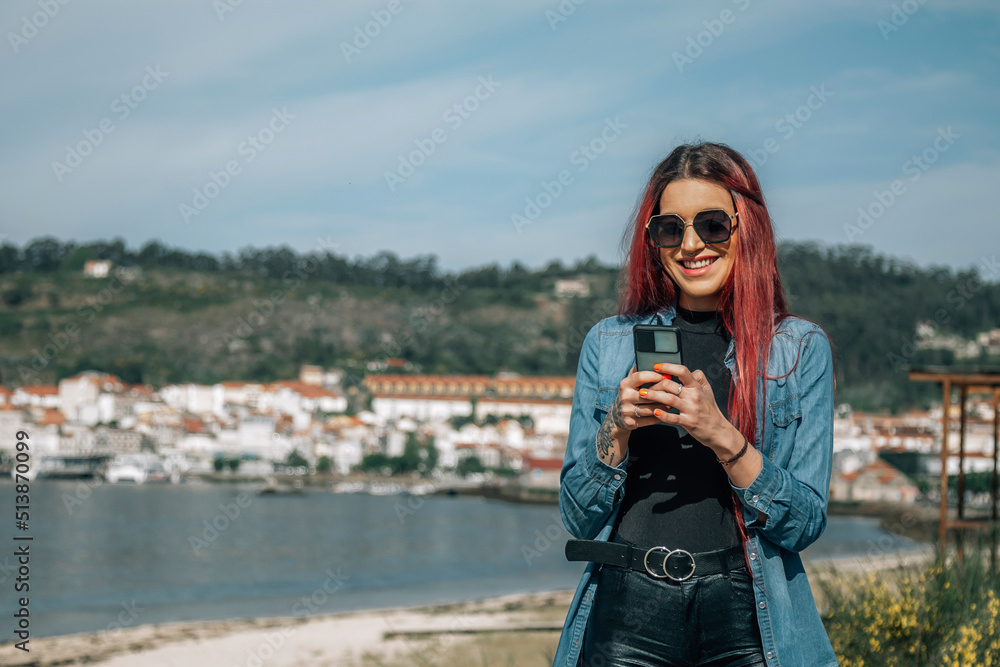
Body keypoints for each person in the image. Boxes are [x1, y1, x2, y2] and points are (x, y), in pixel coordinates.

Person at [551, 142, 838, 667]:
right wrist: (614, 430)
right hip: (627, 605)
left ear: (744, 225)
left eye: (711, 225)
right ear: (652, 241)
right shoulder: (609, 343)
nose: (691, 245)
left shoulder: (797, 349)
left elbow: (805, 523)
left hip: (745, 611)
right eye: (669, 229)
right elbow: (577, 516)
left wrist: (723, 436)